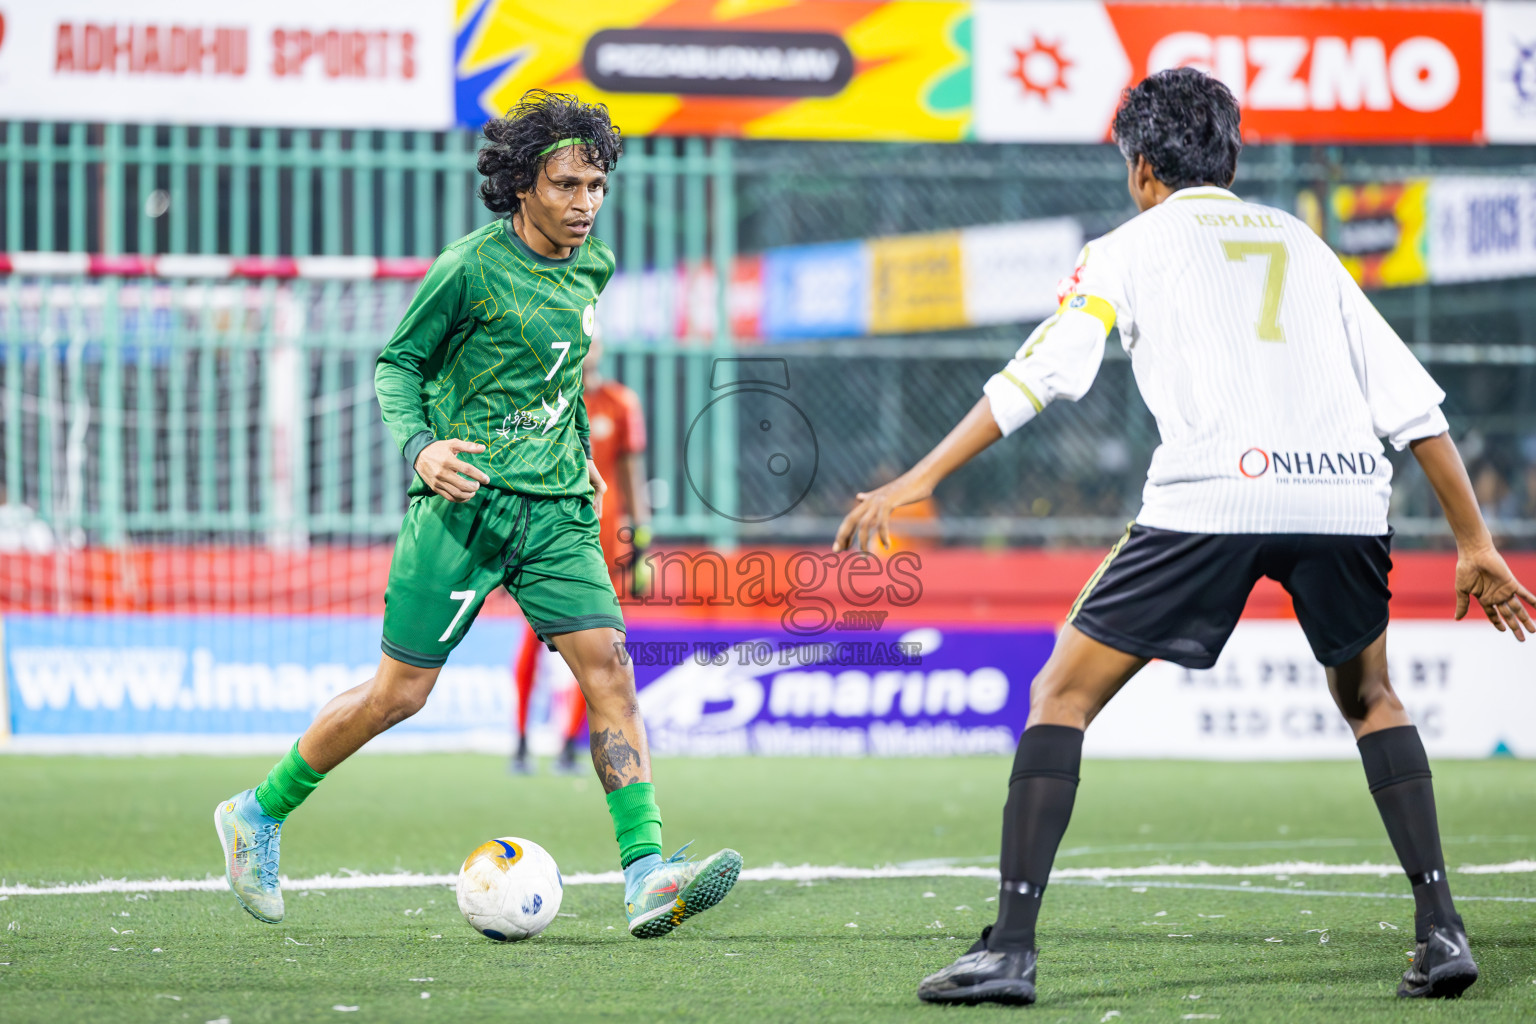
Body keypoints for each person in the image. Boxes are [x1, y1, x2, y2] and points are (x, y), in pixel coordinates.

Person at [835, 68, 1535, 1006]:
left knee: (1061, 693)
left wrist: (918, 478)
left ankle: (1010, 948)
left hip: (1215, 496)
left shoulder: (1126, 244)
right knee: (1371, 696)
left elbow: (1046, 370)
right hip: (1345, 500)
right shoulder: (1306, 243)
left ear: (1140, 168)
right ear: (1233, 158)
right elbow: (1413, 408)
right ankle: (1443, 929)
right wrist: (1474, 543)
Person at [216, 90, 740, 940]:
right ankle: (258, 813)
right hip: (463, 507)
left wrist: (581, 459)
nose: (585, 204)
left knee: (609, 667)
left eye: (597, 186)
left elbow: (560, 379)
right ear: (525, 184)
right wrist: (423, 447)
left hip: (558, 509)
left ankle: (646, 872)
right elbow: (398, 366)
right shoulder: (468, 267)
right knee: (399, 695)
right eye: (568, 185)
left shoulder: (594, 266)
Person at [512, 325, 652, 774]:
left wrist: (642, 544)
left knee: (600, 646)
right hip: (548, 539)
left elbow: (631, 478)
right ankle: (519, 739)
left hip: (604, 545)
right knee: (533, 640)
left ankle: (570, 742)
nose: (588, 349)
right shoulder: (541, 401)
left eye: (593, 340)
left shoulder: (619, 403)